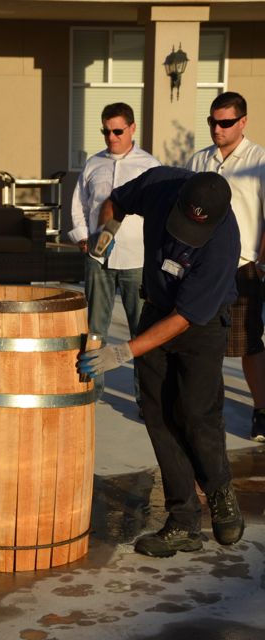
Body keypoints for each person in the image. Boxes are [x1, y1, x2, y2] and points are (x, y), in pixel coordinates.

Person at [77, 166, 245, 558]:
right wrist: (107, 231)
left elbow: (184, 319)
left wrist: (122, 352)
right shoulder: (158, 184)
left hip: (200, 324)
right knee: (157, 415)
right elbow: (116, 201)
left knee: (195, 414)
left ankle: (220, 491)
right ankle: (183, 521)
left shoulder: (222, 244)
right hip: (156, 307)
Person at [69, 102, 160, 407]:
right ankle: (91, 392)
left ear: (132, 128)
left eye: (117, 131)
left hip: (137, 259)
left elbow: (161, 214)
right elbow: (79, 205)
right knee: (95, 327)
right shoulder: (93, 164)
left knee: (141, 330)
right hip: (98, 260)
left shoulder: (149, 166)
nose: (111, 137)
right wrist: (83, 237)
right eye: (106, 131)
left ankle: (145, 398)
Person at [186, 92, 265, 443]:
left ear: (243, 122)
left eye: (226, 123)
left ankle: (261, 412)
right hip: (202, 267)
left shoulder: (260, 160)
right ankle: (206, 412)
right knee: (204, 343)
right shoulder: (199, 160)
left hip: (243, 267)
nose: (217, 129)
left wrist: (262, 262)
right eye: (213, 122)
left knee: (248, 344)